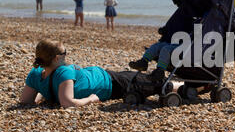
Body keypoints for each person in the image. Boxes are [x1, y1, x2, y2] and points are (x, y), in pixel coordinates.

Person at [20, 39, 157, 108]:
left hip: (101, 75)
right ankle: (176, 86)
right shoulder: (64, 73)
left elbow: (26, 100)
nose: (66, 56)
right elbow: (67, 103)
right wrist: (91, 99)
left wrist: (43, 92)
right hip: (108, 82)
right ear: (56, 58)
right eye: (64, 53)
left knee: (137, 77)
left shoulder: (36, 73)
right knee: (149, 82)